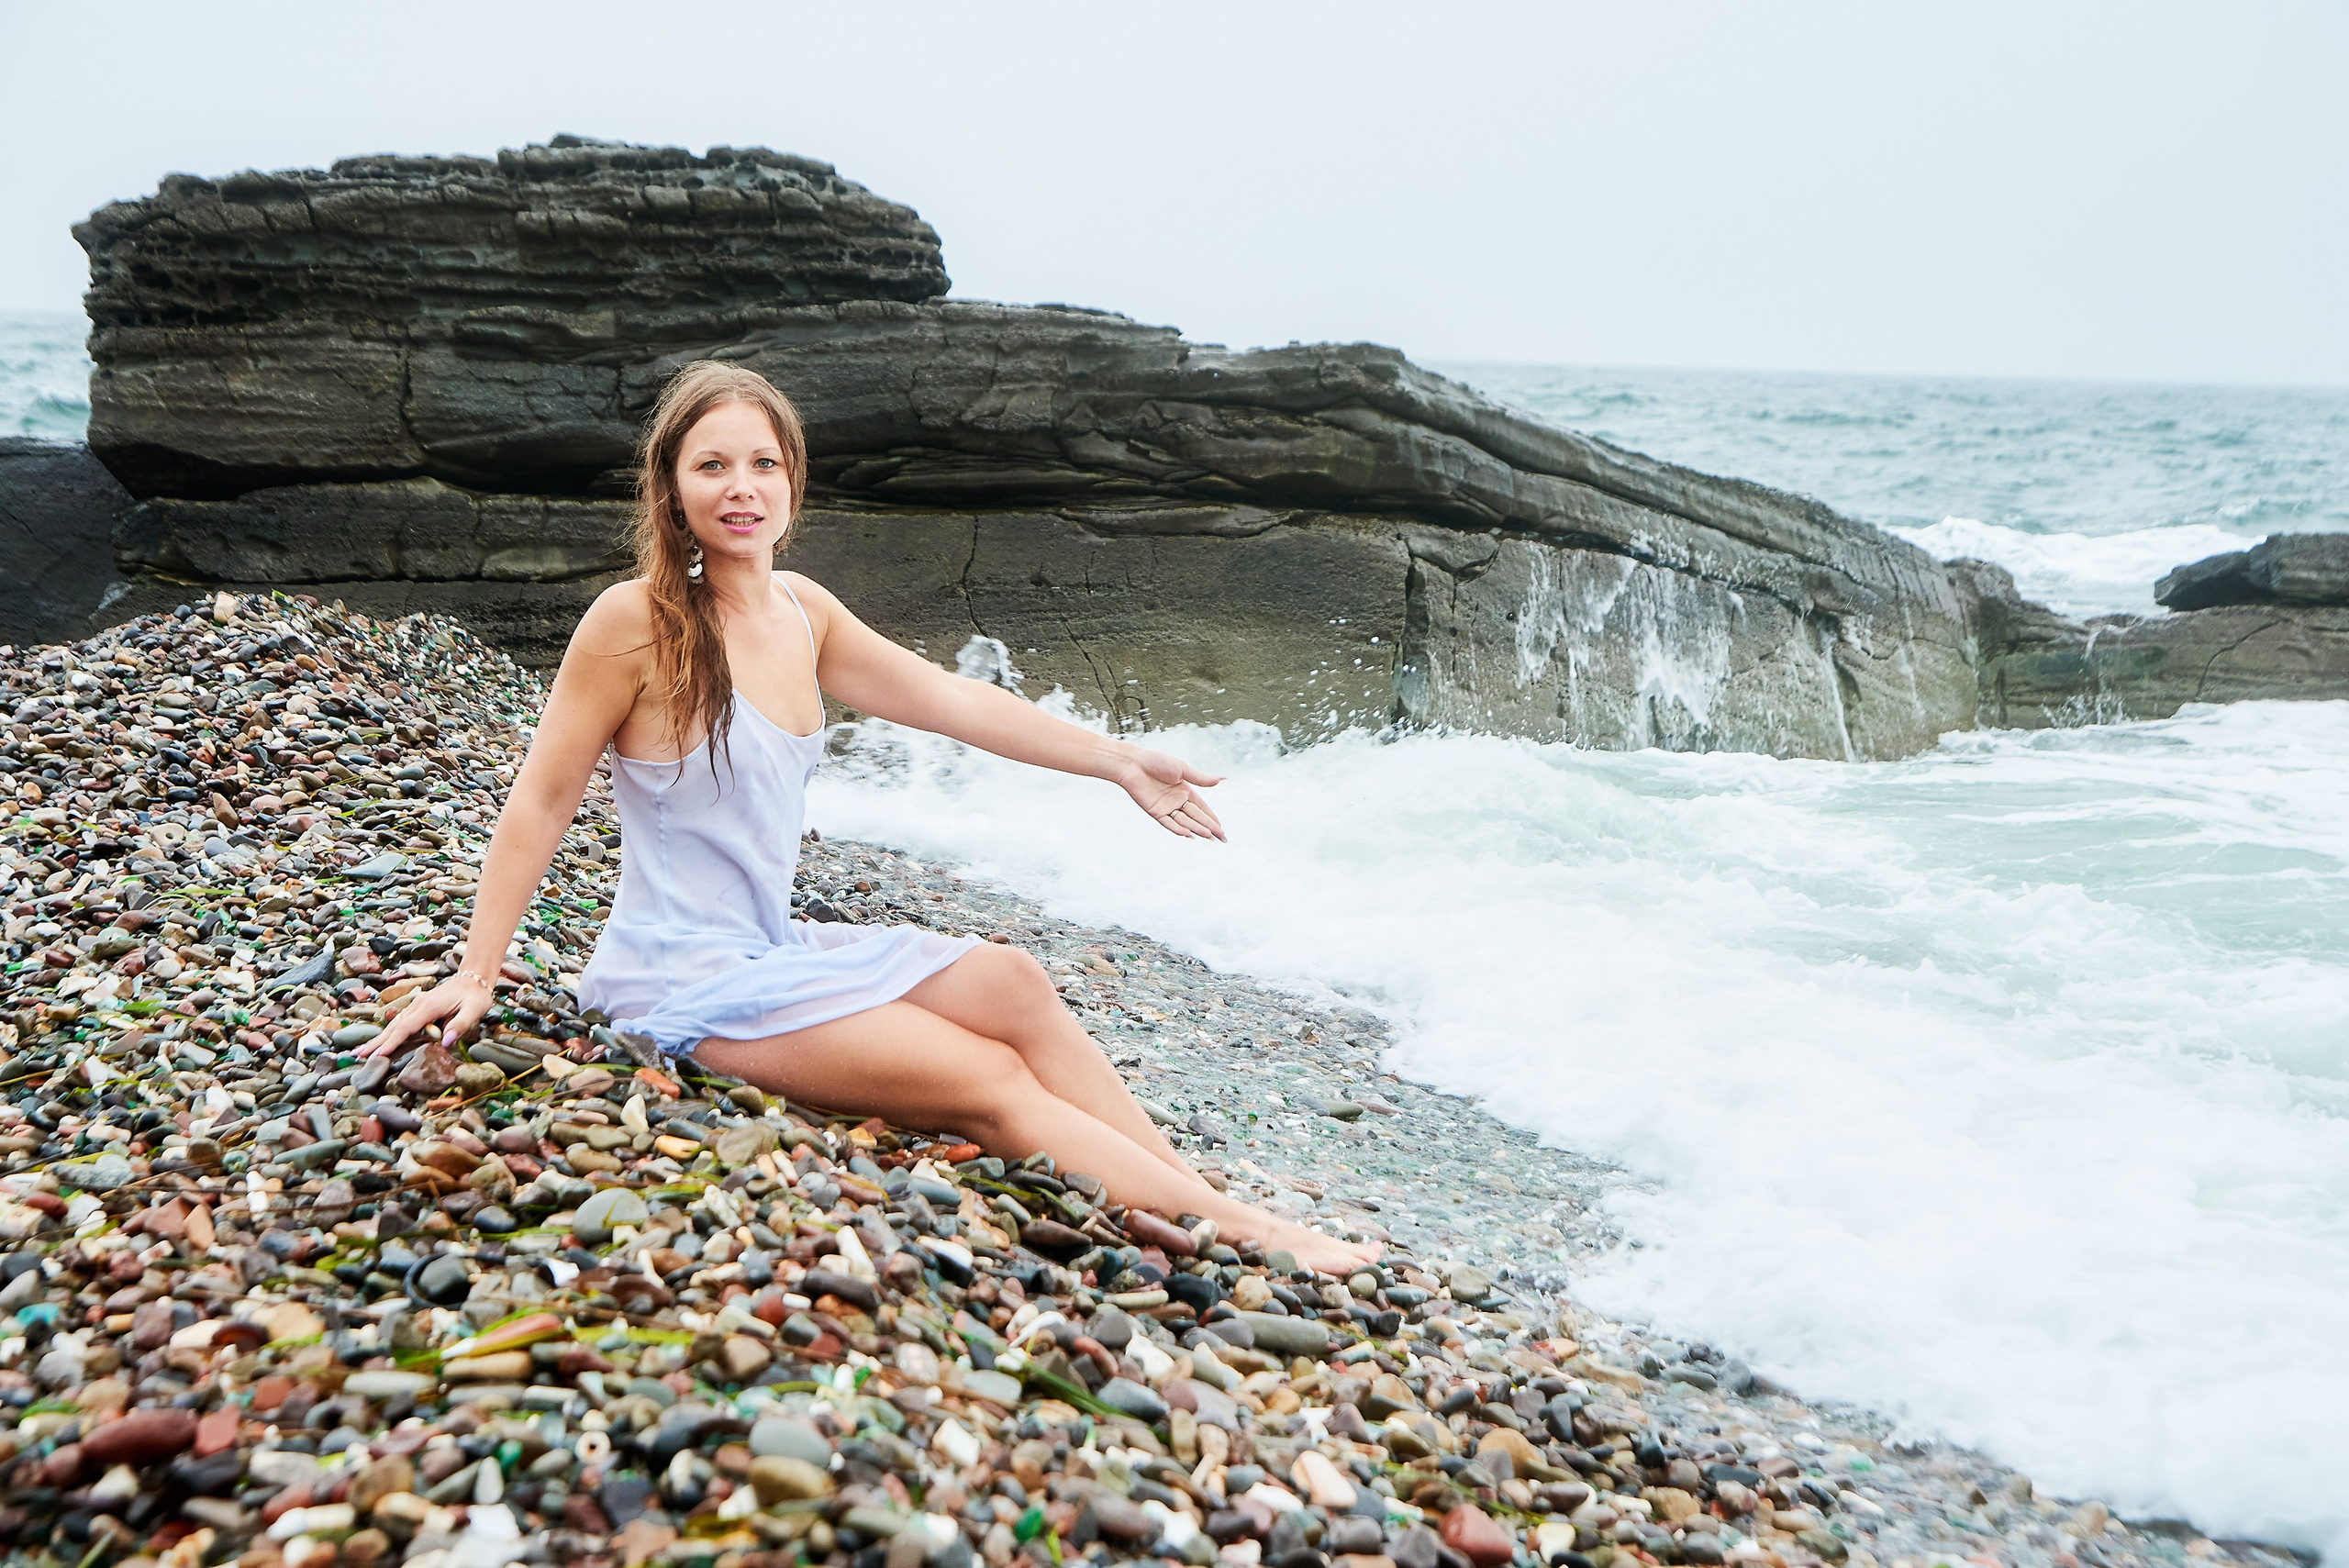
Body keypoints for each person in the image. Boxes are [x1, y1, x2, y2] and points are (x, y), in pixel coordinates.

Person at [366, 361, 1377, 1273]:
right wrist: (475, 970)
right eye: (712, 464)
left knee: (1012, 981)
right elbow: (540, 799)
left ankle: (1195, 1198)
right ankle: (1251, 1232)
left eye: (763, 462)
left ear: (792, 480)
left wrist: (1118, 762)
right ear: (671, 485)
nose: (741, 487)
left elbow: (958, 700)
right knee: (986, 1076)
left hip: (772, 947)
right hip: (683, 976)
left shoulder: (804, 612)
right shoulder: (633, 624)